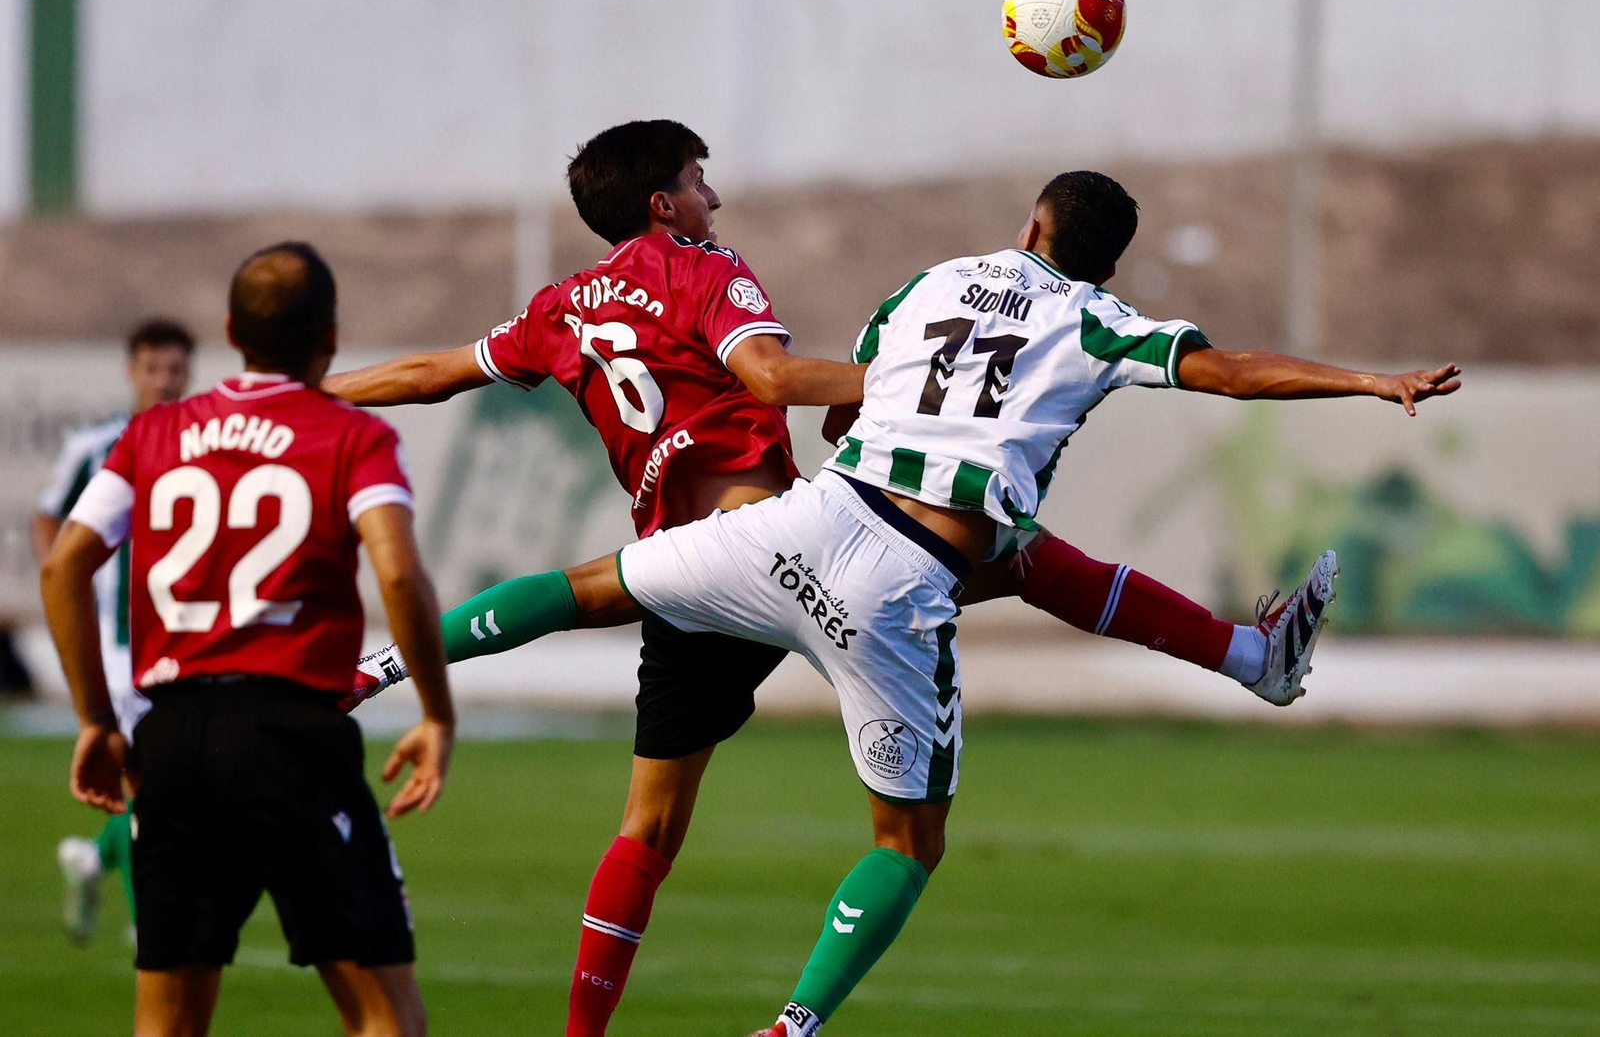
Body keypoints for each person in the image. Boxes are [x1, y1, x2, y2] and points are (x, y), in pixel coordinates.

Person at [324, 121, 1358, 1036]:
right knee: (999, 585)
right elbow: (772, 378)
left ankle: (385, 693)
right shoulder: (705, 267)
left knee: (643, 809)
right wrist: (928, 391)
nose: (713, 196)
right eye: (697, 177)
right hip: (776, 539)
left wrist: (307, 392)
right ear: (663, 202)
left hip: (705, 572)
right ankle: (1248, 654)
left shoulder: (558, 307)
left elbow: (429, 374)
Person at [39, 243, 456, 1037]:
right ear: (331, 336)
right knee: (384, 1016)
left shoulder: (153, 433)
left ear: (231, 330)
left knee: (167, 1021)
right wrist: (438, 711)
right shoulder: (352, 435)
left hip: (173, 740)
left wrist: (97, 720)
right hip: (294, 736)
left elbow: (63, 566)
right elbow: (399, 576)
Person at [37, 318, 194, 944]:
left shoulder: (205, 438)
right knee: (146, 778)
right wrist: (65, 587)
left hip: (190, 634)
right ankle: (148, 922)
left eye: (175, 369)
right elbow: (49, 524)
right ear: (132, 371)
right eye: (153, 368)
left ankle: (92, 857)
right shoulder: (96, 447)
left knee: (171, 777)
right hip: (123, 638)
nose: (164, 380)